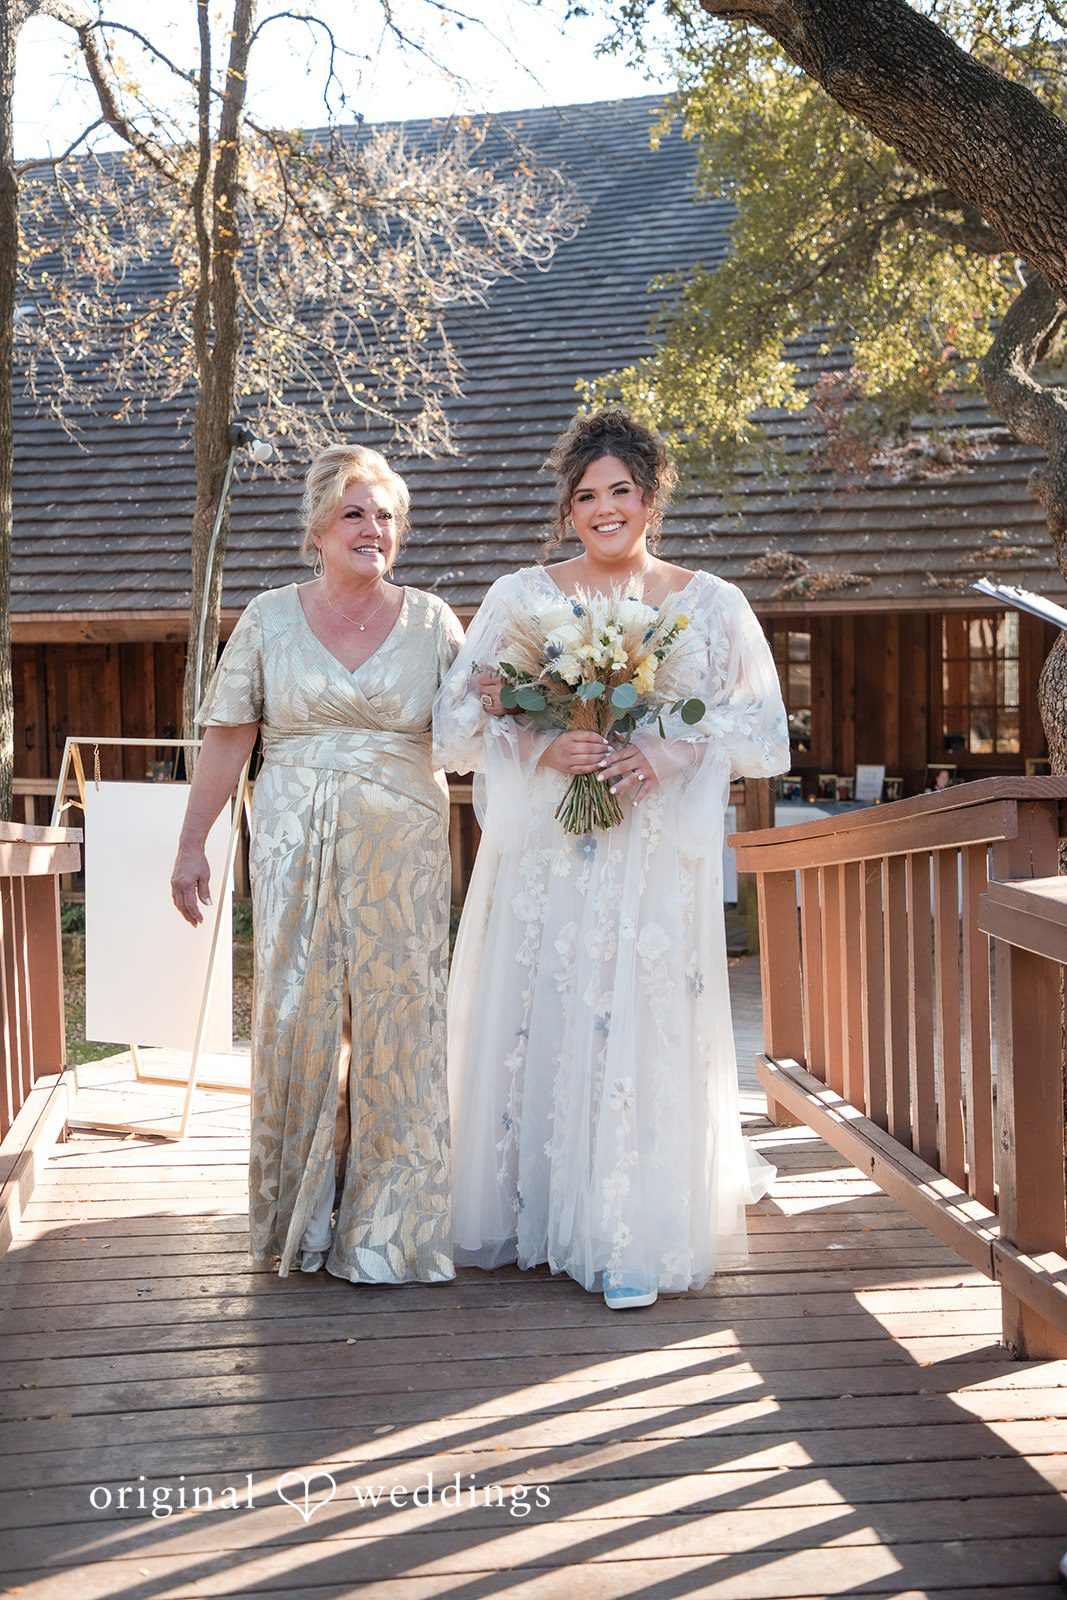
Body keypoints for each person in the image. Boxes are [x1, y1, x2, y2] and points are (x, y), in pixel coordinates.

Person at [433, 408, 790, 1310]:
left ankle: (631, 1229)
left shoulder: (710, 603)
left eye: (620, 491)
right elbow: (458, 722)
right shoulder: (522, 597)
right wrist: (542, 742)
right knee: (550, 1008)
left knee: (640, 1013)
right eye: (585, 495)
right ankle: (537, 1210)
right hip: (551, 854)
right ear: (568, 509)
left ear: (651, 498)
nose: (603, 509)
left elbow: (761, 732)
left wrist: (671, 751)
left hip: (651, 856)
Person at [172, 443, 463, 1285]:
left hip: (402, 855)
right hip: (293, 845)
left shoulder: (434, 622)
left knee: (398, 1021)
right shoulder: (268, 618)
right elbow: (229, 735)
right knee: (298, 1012)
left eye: (386, 516)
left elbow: (475, 739)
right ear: (317, 527)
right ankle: (300, 1221)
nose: (374, 529)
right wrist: (192, 843)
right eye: (354, 513)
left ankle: (388, 1230)